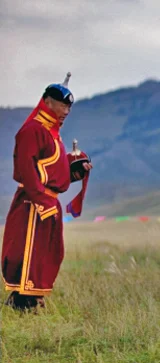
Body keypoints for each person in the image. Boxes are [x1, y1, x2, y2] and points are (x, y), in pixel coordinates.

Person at [2, 73, 93, 312]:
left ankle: (30, 299)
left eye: (69, 107)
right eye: (62, 104)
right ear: (47, 101)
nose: (66, 110)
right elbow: (27, 169)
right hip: (33, 202)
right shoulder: (32, 130)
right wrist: (42, 201)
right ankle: (24, 300)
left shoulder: (52, 133)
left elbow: (50, 170)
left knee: (47, 252)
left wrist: (74, 167)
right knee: (28, 251)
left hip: (47, 200)